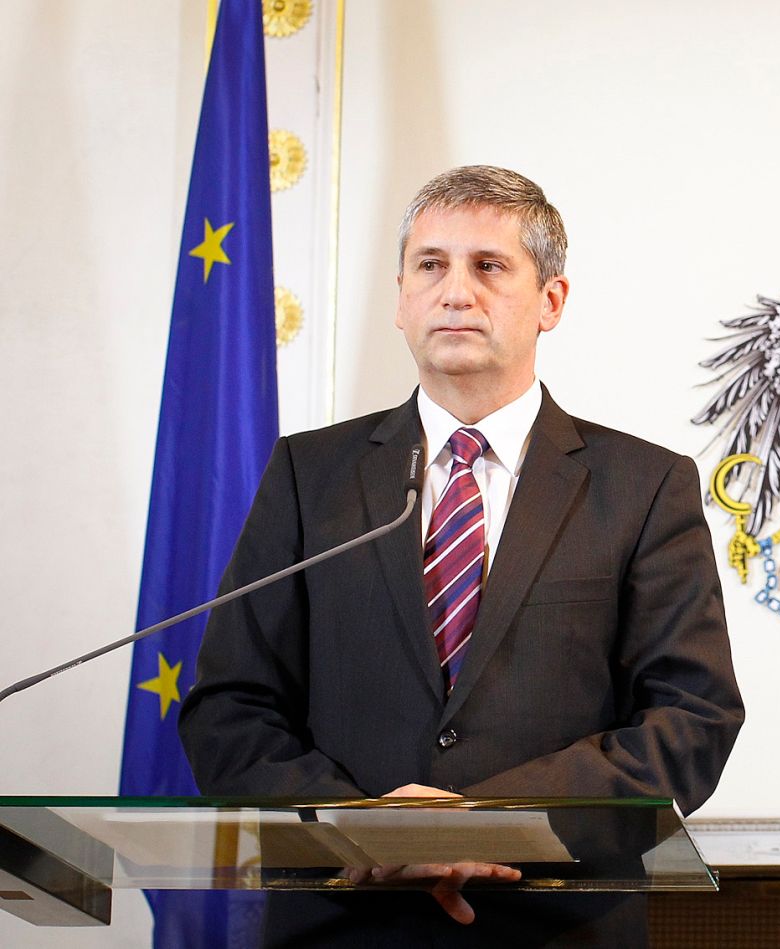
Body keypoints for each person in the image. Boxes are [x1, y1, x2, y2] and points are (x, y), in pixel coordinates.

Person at [180, 165, 744, 947]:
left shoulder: (645, 485)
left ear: (551, 300)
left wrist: (489, 821)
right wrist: (365, 828)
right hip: (345, 922)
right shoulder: (310, 476)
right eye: (431, 265)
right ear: (401, 299)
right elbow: (229, 708)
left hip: (555, 924)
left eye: (489, 266)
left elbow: (692, 719)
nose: (455, 291)